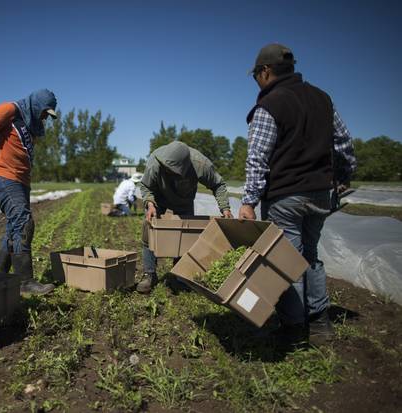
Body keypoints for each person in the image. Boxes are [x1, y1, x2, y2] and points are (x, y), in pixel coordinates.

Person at [238, 44, 357, 345]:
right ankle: (319, 323)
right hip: (319, 194)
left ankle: (294, 329)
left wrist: (249, 201)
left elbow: (257, 159)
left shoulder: (269, 105)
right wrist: (340, 180)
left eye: (257, 77)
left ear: (265, 72)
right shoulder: (323, 99)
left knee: (285, 259)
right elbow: (344, 145)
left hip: (285, 196)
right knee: (310, 255)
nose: (258, 83)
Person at [0, 89, 57, 295]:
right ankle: (24, 282)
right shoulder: (10, 109)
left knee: (14, 228)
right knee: (23, 222)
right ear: (36, 105)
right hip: (4, 176)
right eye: (45, 112)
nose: (45, 117)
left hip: (20, 181)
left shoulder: (29, 124)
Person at [138, 141, 233, 294]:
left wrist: (225, 208)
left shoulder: (200, 164)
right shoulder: (154, 163)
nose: (168, 172)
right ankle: (150, 274)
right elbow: (146, 186)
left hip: (184, 200)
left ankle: (179, 275)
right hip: (158, 199)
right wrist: (149, 203)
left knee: (186, 237)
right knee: (149, 231)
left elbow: (218, 184)